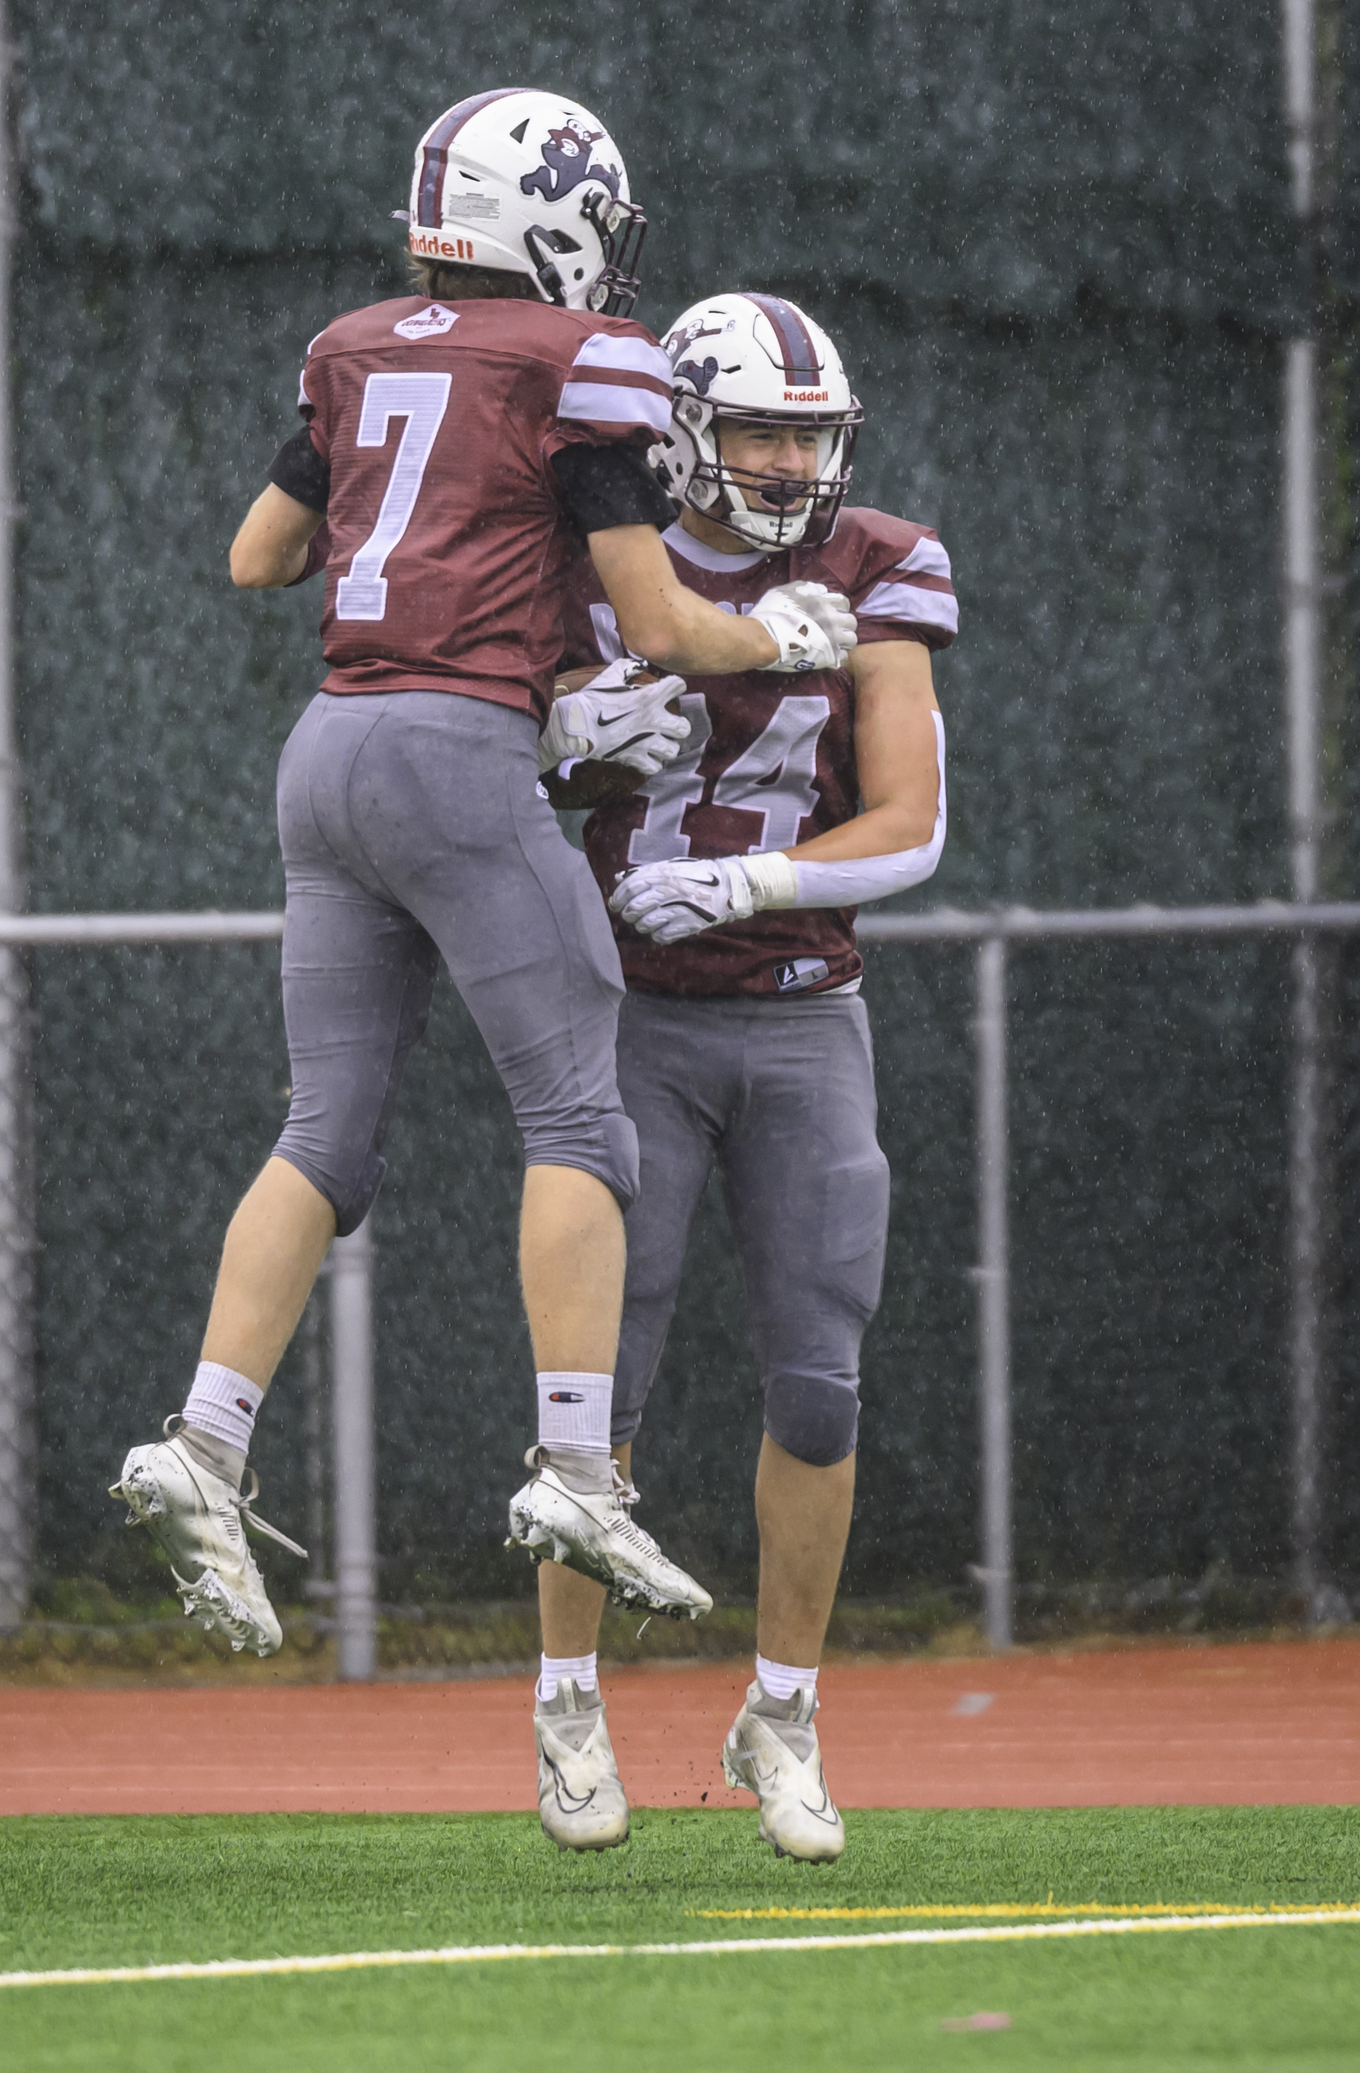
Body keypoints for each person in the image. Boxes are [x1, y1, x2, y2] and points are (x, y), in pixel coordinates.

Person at [108, 97, 861, 1659]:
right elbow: (659, 621)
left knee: (323, 1132)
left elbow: (259, 556)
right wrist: (771, 633)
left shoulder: (353, 340)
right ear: (564, 218)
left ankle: (203, 1436)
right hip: (457, 754)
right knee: (580, 1109)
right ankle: (581, 1465)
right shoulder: (585, 361)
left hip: (329, 750)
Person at [531, 292, 956, 1860]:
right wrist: (562, 743)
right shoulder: (596, 560)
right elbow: (486, 760)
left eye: (808, 434)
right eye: (760, 429)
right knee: (599, 1393)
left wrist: (760, 884)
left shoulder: (880, 559)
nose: (787, 462)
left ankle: (783, 1706)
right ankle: (568, 1698)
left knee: (820, 1380)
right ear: (685, 434)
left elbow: (909, 820)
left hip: (797, 1007)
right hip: (623, 1016)